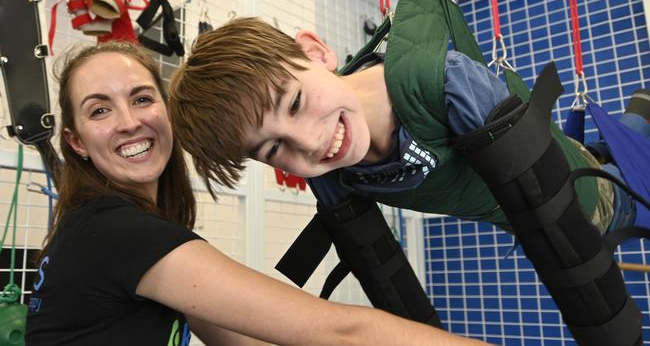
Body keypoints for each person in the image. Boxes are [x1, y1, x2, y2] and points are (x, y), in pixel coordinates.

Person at [167, 0, 648, 345]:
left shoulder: (444, 86)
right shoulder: (330, 171)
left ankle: (636, 119)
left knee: (624, 180)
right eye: (274, 150)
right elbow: (384, 276)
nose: (311, 143)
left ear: (316, 52)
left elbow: (553, 228)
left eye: (294, 102)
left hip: (590, 200)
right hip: (526, 187)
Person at [25, 41, 491, 346]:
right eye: (100, 110)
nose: (129, 121)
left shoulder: (117, 230)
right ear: (76, 142)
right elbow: (340, 331)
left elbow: (242, 339)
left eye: (142, 98)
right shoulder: (117, 234)